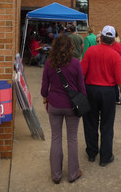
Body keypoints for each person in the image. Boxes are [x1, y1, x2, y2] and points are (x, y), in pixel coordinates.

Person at [41, 35, 86, 184]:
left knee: (56, 138)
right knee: (72, 139)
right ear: (71, 47)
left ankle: (56, 175)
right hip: (72, 106)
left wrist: (45, 99)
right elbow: (81, 87)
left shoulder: (49, 63)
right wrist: (82, 101)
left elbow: (44, 87)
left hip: (54, 104)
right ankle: (73, 174)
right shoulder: (75, 63)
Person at [81, 25, 121, 167]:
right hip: (108, 92)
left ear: (100, 38)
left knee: (90, 122)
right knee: (107, 124)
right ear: (113, 40)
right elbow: (120, 79)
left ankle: (92, 153)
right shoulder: (115, 56)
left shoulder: (90, 51)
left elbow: (82, 72)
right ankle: (105, 157)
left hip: (91, 90)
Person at [111, 29, 121, 105]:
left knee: (115, 82)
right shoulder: (105, 45)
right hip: (109, 67)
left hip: (117, 66)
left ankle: (116, 99)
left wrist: (115, 59)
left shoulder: (117, 45)